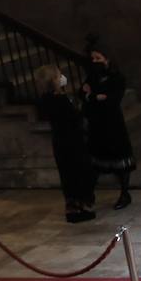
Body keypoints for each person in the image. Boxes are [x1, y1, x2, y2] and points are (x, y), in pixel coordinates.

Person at [37, 66, 96, 223]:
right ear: (54, 81)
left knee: (67, 175)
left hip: (59, 142)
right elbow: (75, 118)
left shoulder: (45, 99)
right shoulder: (60, 100)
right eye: (58, 76)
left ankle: (73, 208)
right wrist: (86, 101)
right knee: (80, 173)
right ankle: (82, 208)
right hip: (72, 141)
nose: (62, 77)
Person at [81, 36, 135, 210]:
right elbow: (84, 94)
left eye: (98, 58)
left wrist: (97, 96)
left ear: (107, 58)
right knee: (95, 162)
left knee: (119, 161)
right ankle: (89, 195)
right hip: (97, 123)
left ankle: (125, 193)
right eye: (93, 59)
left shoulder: (117, 77)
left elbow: (113, 99)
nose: (95, 61)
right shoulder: (92, 77)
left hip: (113, 124)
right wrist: (91, 96)